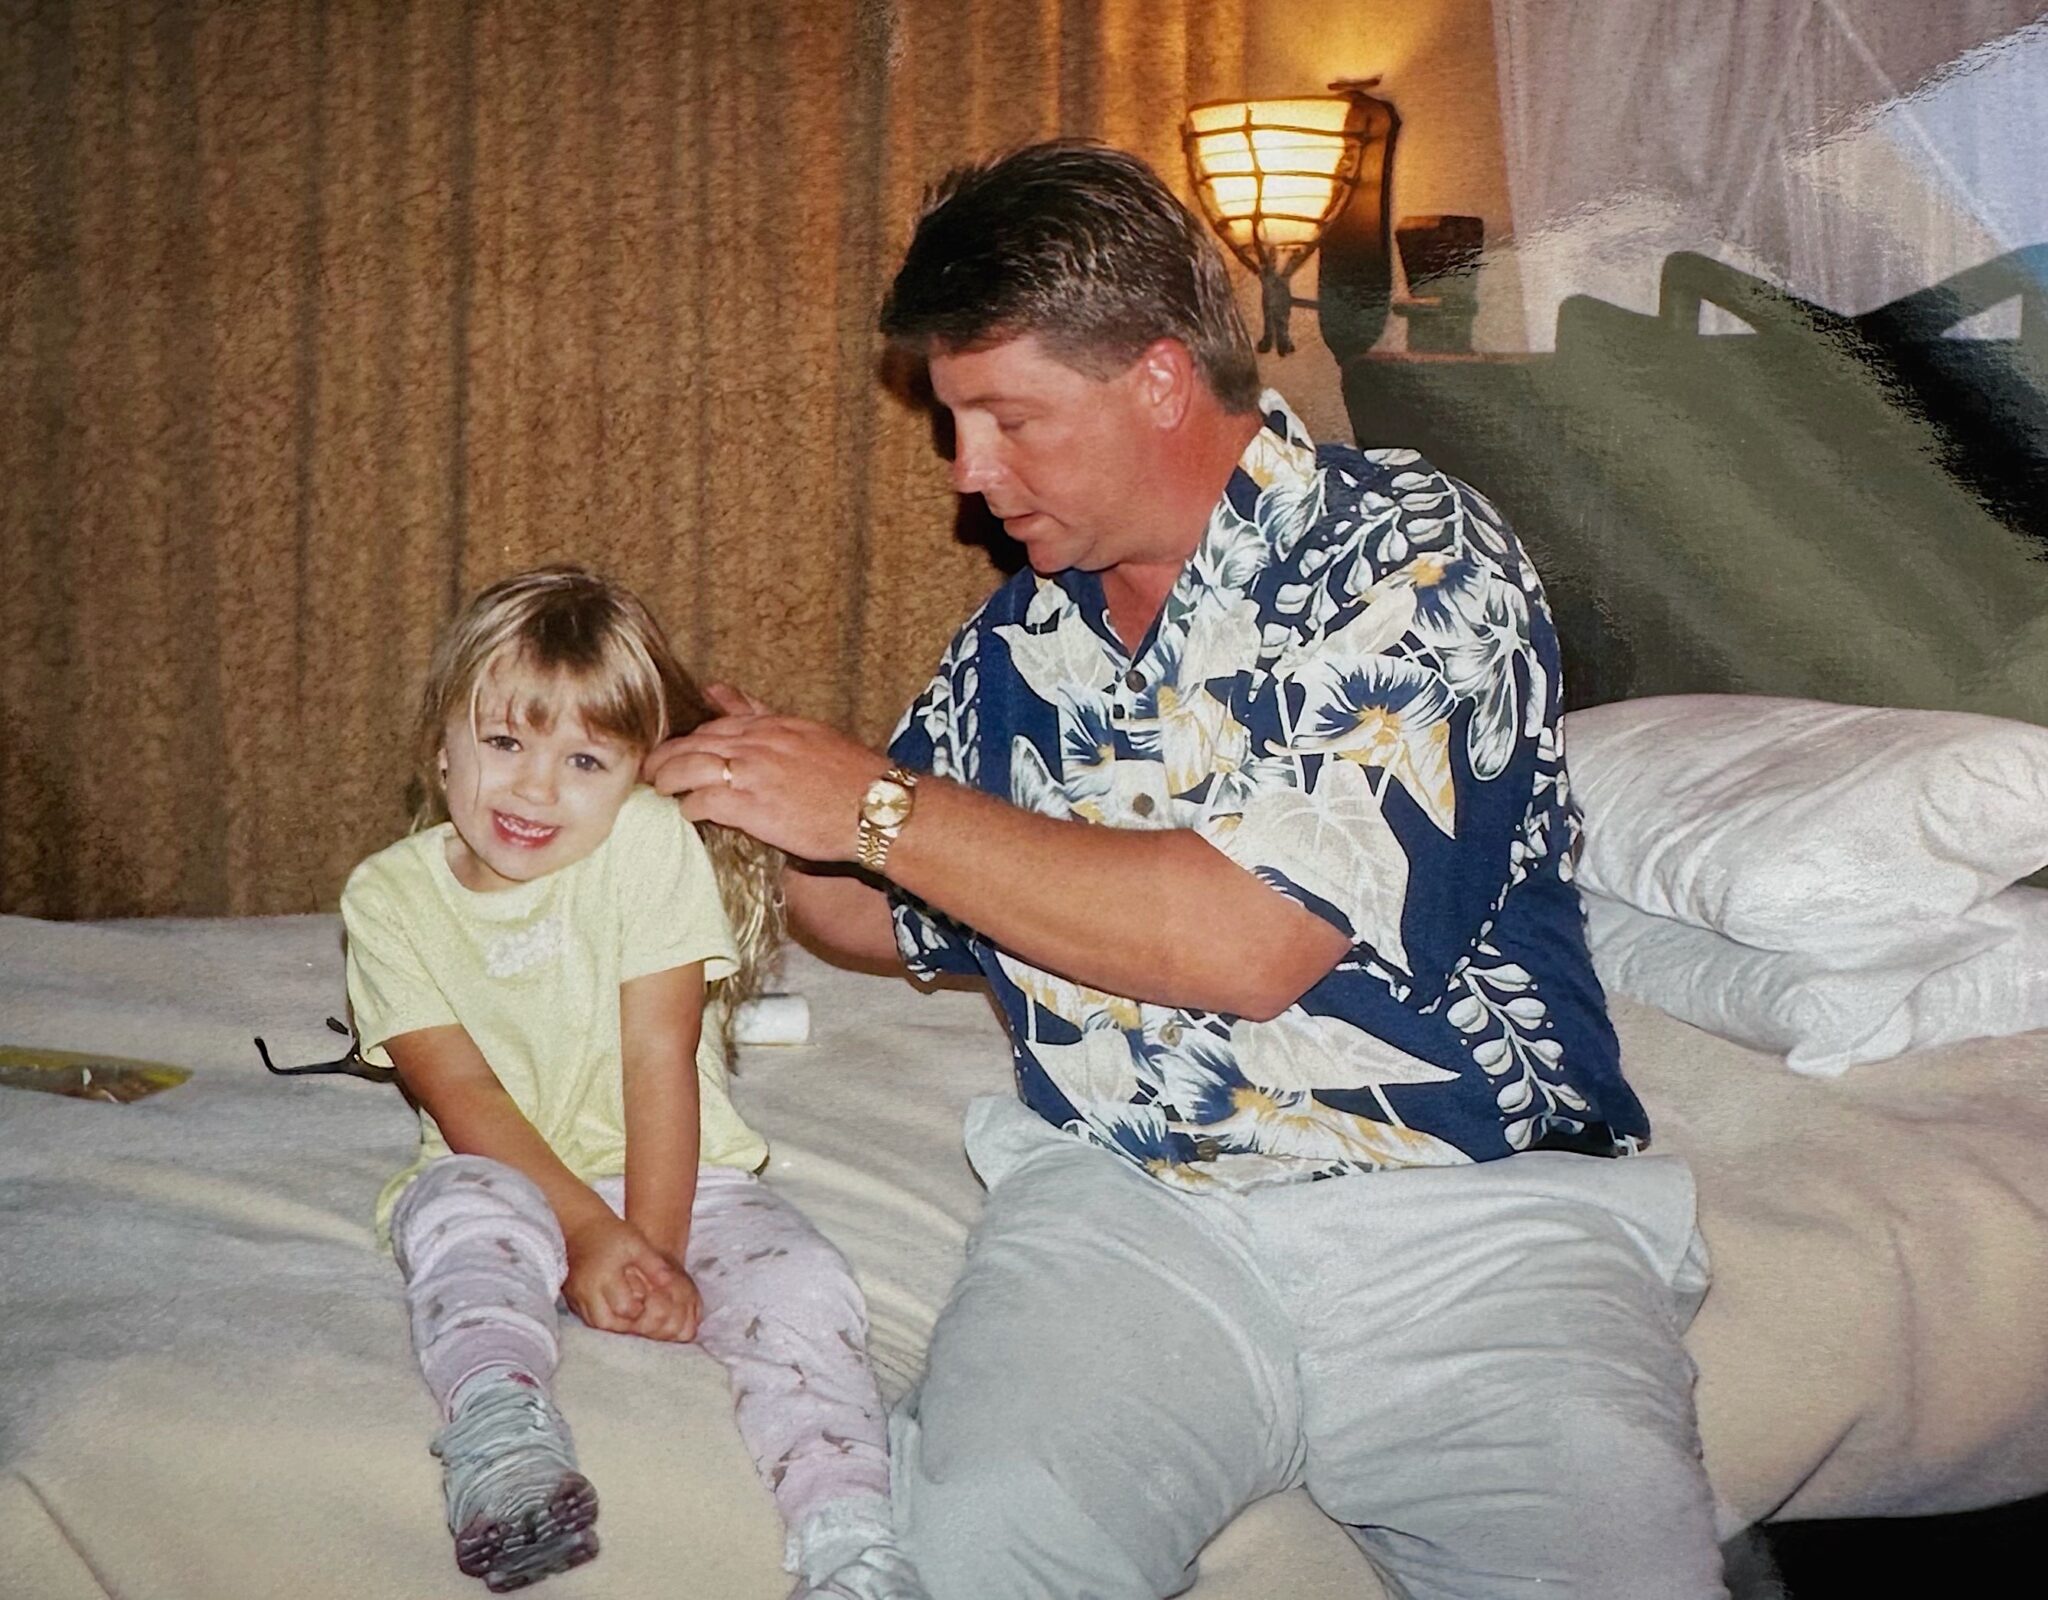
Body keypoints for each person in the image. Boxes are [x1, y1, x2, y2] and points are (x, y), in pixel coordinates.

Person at [647, 144, 1727, 1599]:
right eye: (958, 424)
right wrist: (746, 800)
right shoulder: (1020, 644)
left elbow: (1248, 940)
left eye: (1008, 419)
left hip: (1467, 1217)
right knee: (969, 1558)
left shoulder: (1412, 559)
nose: (969, 475)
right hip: (1123, 1205)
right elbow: (887, 908)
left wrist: (878, 804)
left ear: (1160, 379)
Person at [340, 566, 930, 1599]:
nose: (533, 789)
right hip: (503, 1166)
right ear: (442, 747)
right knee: (461, 1227)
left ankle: (848, 1539)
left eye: (582, 759)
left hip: (682, 1179)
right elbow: (462, 1097)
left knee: (802, 1285)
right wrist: (587, 1235)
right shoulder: (387, 898)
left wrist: (650, 1251)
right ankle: (502, 1443)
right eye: (504, 743)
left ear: (634, 776)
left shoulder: (650, 847)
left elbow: (660, 1059)